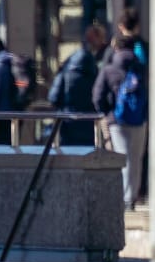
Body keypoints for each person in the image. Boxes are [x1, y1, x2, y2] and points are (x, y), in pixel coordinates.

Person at [93, 35, 149, 210]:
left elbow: (97, 96)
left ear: (115, 48)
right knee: (136, 158)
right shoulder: (141, 68)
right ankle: (132, 196)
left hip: (117, 121)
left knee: (122, 157)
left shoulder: (108, 69)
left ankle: (125, 198)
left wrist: (107, 113)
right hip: (139, 120)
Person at [47, 24, 105, 146]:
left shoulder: (68, 65)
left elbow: (53, 96)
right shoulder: (95, 69)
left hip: (67, 120)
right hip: (88, 122)